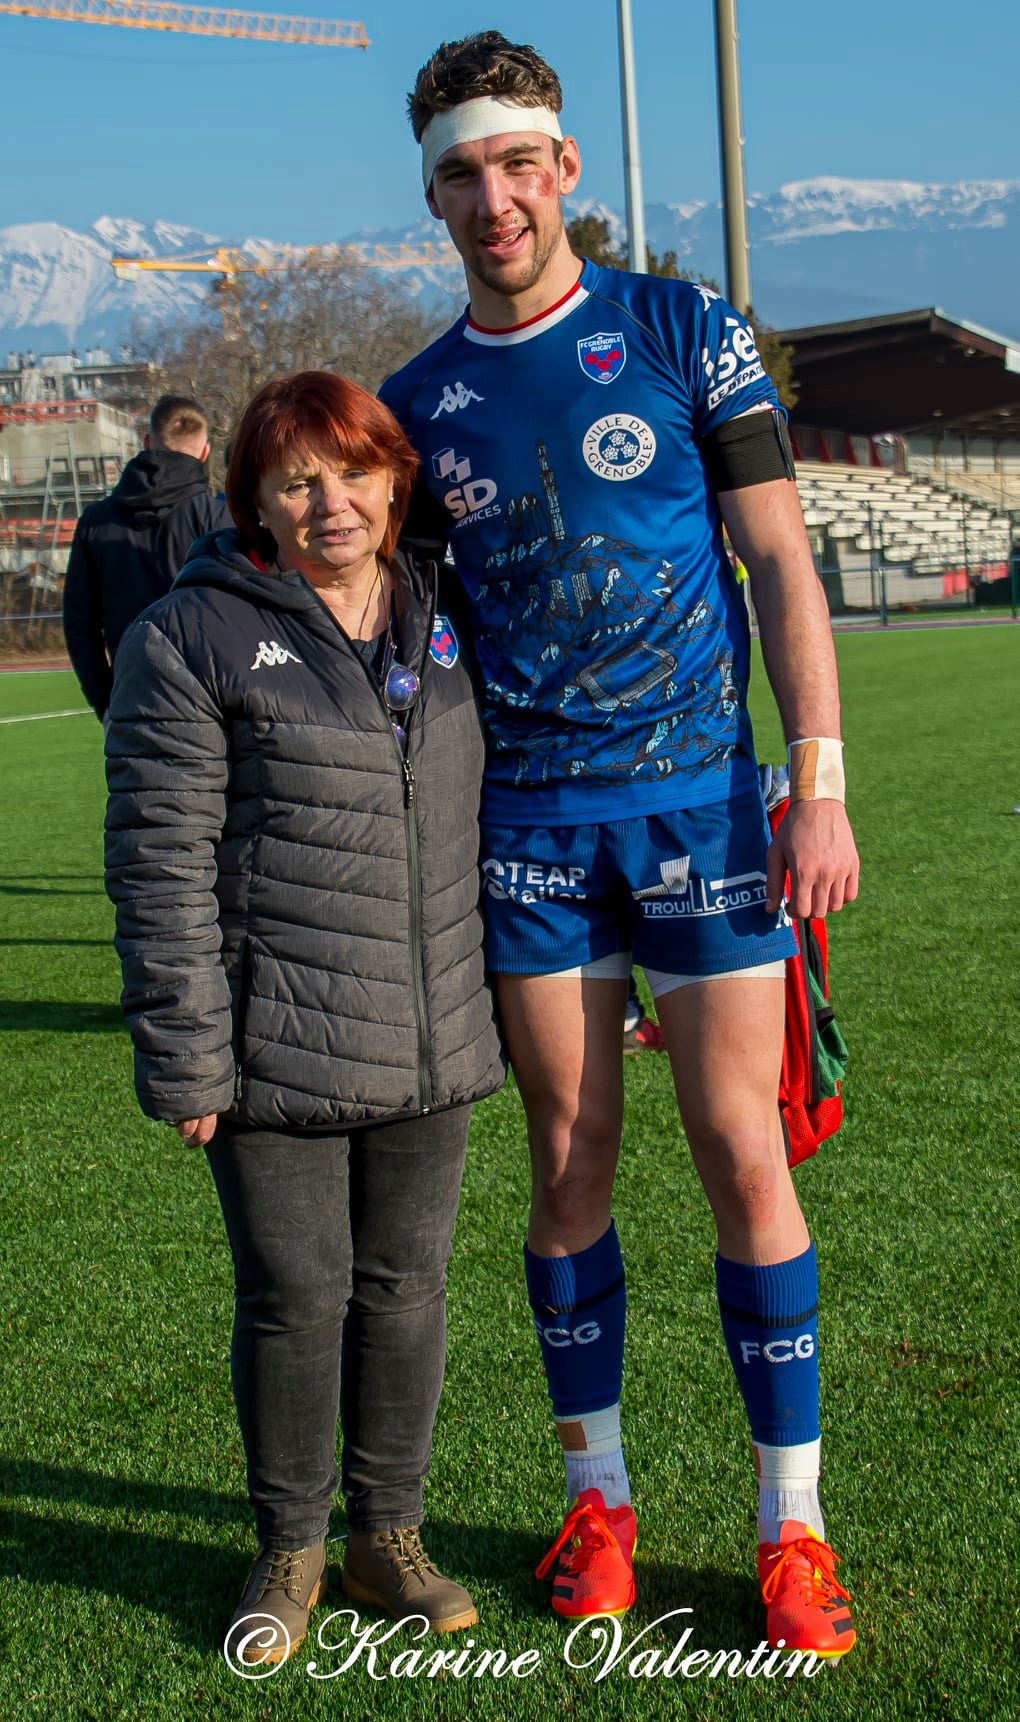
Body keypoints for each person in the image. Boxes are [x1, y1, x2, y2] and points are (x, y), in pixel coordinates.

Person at [380, 31, 860, 1659]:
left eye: (516, 164)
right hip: (528, 828)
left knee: (741, 1145)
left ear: (564, 168)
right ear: (434, 192)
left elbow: (783, 567)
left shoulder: (681, 328)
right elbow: (403, 635)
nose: (492, 197)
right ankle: (600, 1501)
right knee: (570, 1162)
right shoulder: (417, 403)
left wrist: (824, 779)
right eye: (460, 171)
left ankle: (791, 1526)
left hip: (703, 804)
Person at [104, 371, 504, 1665]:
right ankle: (290, 1546)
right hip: (275, 1045)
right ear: (256, 502)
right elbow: (159, 858)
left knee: (407, 1289)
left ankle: (389, 1534)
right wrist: (186, 1051)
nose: (330, 503)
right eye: (295, 480)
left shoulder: (448, 610)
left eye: (353, 472)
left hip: (434, 1027)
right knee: (295, 1297)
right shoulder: (192, 633)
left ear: (395, 480)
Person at [63, 393, 229, 722]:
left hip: (131, 700)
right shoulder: (217, 518)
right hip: (213, 700)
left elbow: (79, 624)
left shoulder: (95, 522)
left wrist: (106, 703)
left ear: (148, 441)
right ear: (205, 451)